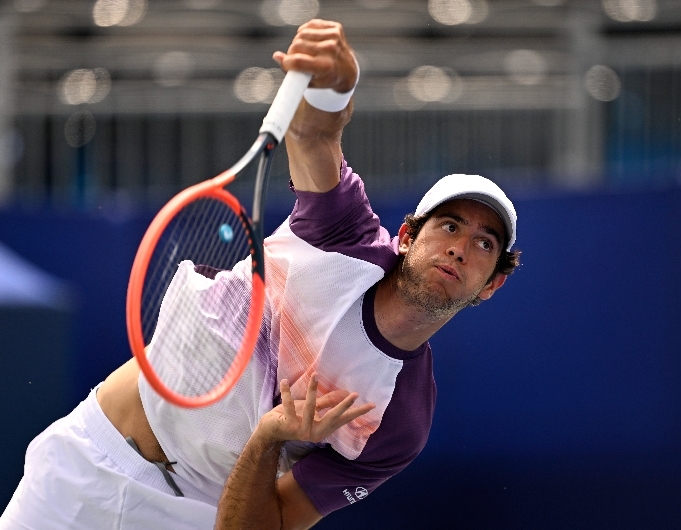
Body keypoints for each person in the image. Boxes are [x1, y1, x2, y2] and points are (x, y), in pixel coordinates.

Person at [0, 19, 520, 530]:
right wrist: (337, 87)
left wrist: (269, 437)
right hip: (85, 465)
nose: (459, 248)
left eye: (483, 243)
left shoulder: (399, 423)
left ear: (491, 284)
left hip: (196, 516)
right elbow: (315, 133)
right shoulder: (343, 232)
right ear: (406, 236)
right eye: (449, 225)